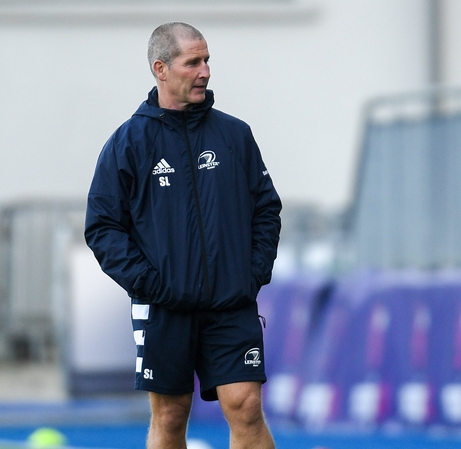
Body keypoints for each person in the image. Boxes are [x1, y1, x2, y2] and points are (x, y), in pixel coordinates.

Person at [85, 22, 281, 449]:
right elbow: (102, 227)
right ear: (161, 68)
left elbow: (267, 209)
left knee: (246, 406)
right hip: (164, 308)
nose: (205, 71)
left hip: (231, 304)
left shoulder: (235, 135)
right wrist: (150, 284)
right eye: (193, 62)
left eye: (207, 60)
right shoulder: (128, 142)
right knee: (171, 415)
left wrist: (252, 274)